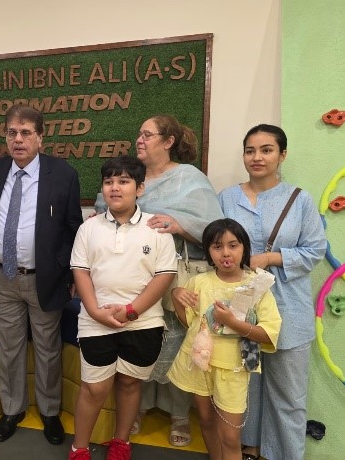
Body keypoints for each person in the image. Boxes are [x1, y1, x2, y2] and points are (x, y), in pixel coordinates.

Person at [97, 114, 223, 447]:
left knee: (178, 344)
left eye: (148, 135)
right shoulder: (130, 174)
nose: (139, 140)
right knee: (137, 338)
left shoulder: (190, 178)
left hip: (177, 280)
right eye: (139, 134)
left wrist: (179, 224)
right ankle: (136, 409)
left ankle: (179, 415)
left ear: (168, 142)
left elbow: (214, 227)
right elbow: (104, 207)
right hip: (131, 276)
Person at [0, 104, 83, 445]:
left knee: (48, 349)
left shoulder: (63, 174)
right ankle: (13, 409)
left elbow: (73, 228)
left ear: (40, 137)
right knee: (10, 348)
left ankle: (49, 412)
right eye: (12, 133)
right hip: (2, 278)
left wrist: (66, 271)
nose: (18, 140)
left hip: (44, 279)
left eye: (25, 133)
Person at [218, 124, 326, 460]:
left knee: (289, 395)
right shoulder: (227, 198)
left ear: (282, 155)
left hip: (288, 308)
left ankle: (285, 454)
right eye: (250, 150)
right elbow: (215, 244)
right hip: (241, 307)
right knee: (244, 387)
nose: (257, 157)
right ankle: (249, 447)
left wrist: (270, 258)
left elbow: (315, 250)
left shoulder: (299, 199)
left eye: (266, 150)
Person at [69, 155, 177, 460]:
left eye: (124, 181)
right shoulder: (89, 228)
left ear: (139, 188)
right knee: (94, 389)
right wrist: (95, 311)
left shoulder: (157, 229)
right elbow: (80, 271)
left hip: (143, 322)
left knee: (130, 383)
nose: (115, 187)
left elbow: (164, 275)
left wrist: (131, 311)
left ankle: (121, 443)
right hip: (96, 320)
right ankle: (79, 448)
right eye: (109, 182)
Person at [168, 218, 282, 460]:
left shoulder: (256, 286)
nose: (226, 253)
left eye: (233, 245)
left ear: (244, 248)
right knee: (207, 422)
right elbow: (190, 323)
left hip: (233, 370)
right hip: (200, 365)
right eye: (217, 246)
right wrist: (176, 294)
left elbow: (268, 334)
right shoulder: (200, 281)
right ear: (208, 251)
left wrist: (233, 322)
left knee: (230, 437)